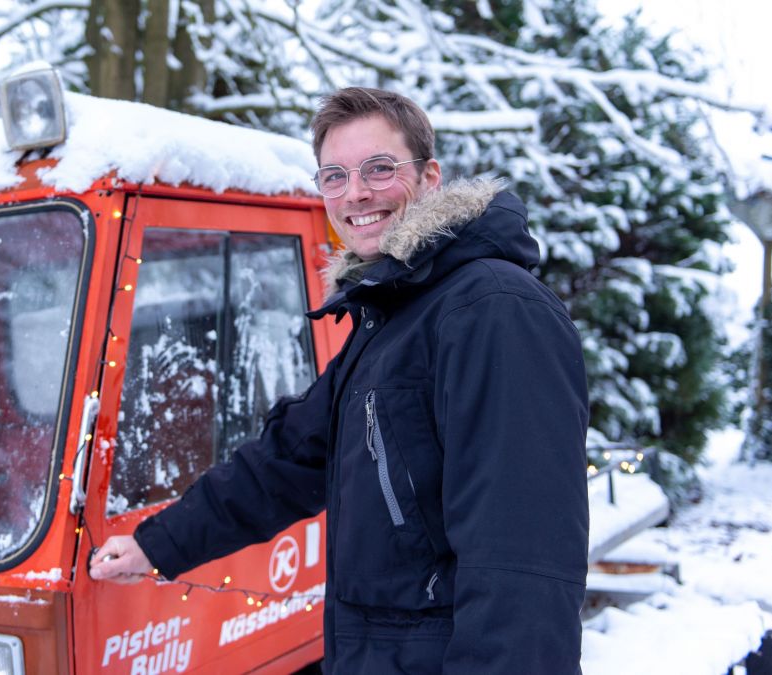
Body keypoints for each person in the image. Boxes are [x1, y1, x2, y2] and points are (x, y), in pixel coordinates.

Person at [90, 86, 590, 674]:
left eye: (379, 168)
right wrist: (158, 543)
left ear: (429, 178)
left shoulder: (491, 309)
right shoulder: (394, 315)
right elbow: (289, 457)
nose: (356, 193)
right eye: (335, 176)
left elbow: (522, 564)